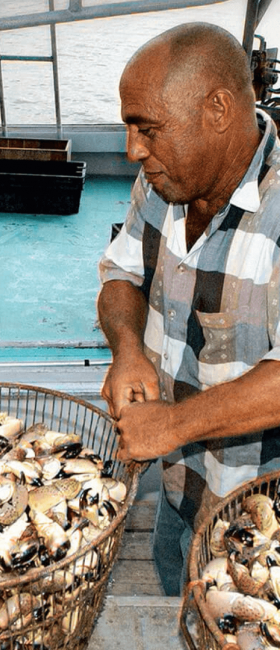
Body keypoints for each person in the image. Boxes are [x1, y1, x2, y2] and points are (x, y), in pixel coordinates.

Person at [97, 22, 280, 597]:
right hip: (179, 491)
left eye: (147, 128)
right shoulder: (162, 183)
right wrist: (127, 350)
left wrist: (172, 424)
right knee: (174, 596)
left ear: (218, 109)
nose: (133, 151)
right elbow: (120, 273)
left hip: (259, 526)